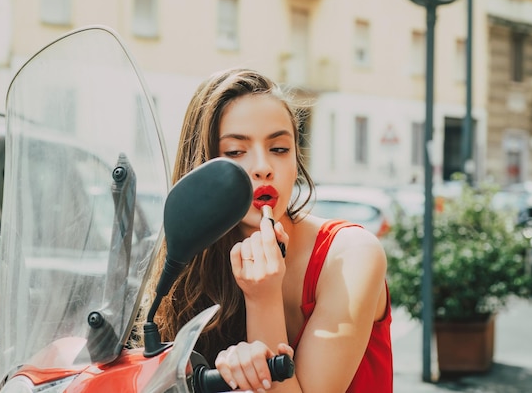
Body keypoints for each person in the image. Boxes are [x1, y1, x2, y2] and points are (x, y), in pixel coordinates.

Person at [148, 68, 392, 392]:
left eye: (279, 148)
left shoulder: (351, 255)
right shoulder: (190, 263)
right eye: (235, 152)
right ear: (202, 168)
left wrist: (263, 299)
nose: (263, 166)